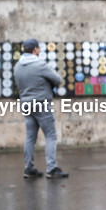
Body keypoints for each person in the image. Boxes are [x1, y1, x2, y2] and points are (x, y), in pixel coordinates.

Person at [14, 38, 68, 179]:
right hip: (41, 104)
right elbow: (57, 79)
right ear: (35, 49)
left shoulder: (17, 66)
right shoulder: (39, 64)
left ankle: (29, 168)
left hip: (26, 104)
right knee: (51, 135)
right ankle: (51, 168)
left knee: (30, 137)